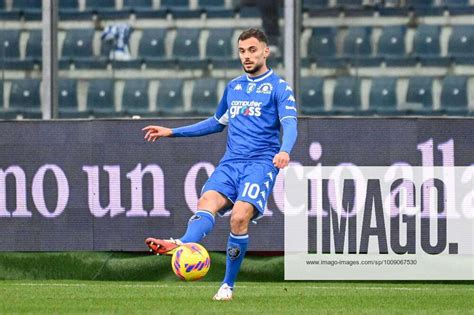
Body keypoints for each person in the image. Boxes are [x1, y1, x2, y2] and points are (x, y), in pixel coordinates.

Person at [142, 28, 298, 301]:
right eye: (242, 51)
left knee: (239, 217)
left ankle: (227, 285)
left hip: (260, 164)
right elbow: (216, 123)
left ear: (265, 51)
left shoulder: (279, 88)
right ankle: (183, 243)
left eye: (252, 50)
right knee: (207, 201)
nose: (246, 56)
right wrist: (172, 131)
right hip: (231, 163)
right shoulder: (234, 87)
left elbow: (290, 124)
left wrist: (284, 150)